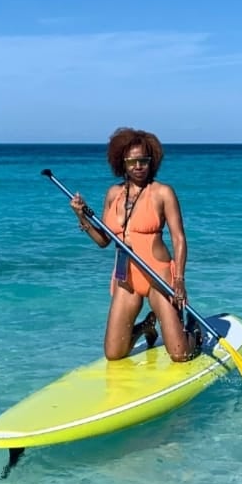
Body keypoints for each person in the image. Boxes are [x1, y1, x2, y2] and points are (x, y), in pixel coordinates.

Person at [70, 127, 202, 362]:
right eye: (132, 161)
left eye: (144, 160)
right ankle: (145, 327)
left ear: (152, 161)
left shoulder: (162, 192)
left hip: (158, 276)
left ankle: (194, 330)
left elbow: (179, 238)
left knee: (181, 354)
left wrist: (180, 280)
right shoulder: (113, 194)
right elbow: (103, 241)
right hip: (126, 279)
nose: (138, 166)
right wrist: (81, 216)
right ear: (122, 162)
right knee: (113, 354)